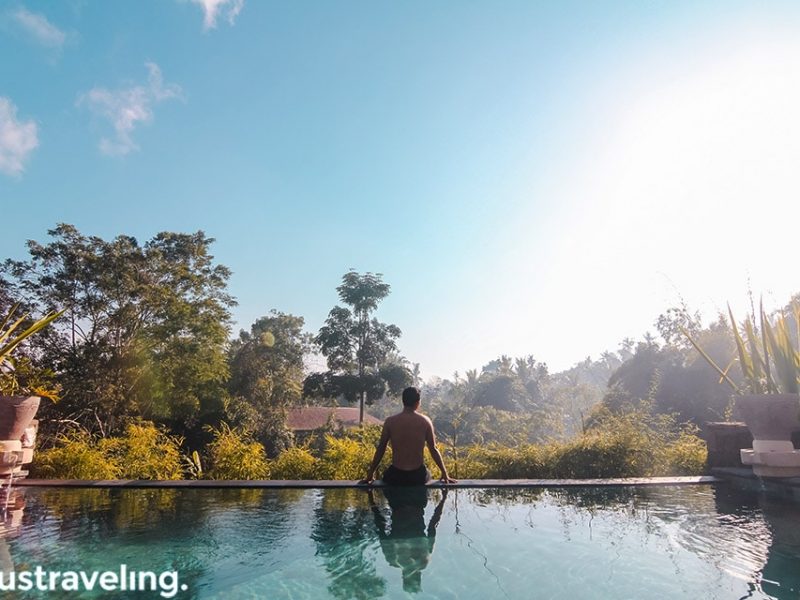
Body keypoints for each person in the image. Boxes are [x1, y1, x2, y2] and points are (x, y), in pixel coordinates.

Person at [360, 386, 456, 485]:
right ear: (417, 403)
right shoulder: (425, 421)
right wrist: (445, 474)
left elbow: (381, 448)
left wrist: (370, 474)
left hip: (396, 476)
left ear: (403, 401)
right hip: (418, 476)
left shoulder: (390, 422)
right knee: (427, 474)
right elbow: (433, 449)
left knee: (389, 477)